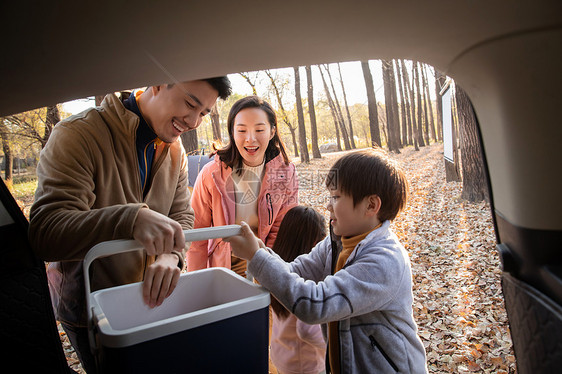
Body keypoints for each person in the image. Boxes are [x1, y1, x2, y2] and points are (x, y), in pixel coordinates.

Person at [28, 77, 232, 373]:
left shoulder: (176, 153)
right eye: (190, 104)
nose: (193, 121)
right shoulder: (79, 133)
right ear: (158, 82)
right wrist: (130, 219)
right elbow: (46, 231)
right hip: (92, 310)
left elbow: (182, 217)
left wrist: (171, 255)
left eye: (203, 113)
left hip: (149, 302)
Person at [225, 149, 428, 374]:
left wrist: (256, 256)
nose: (329, 206)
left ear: (371, 206)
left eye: (337, 197)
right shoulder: (336, 242)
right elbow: (295, 270)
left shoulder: (384, 262)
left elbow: (315, 304)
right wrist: (259, 250)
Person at [187, 95, 298, 277]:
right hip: (224, 266)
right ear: (232, 132)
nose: (250, 139)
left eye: (259, 130)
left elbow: (281, 230)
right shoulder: (211, 174)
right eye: (242, 130)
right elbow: (196, 236)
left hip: (264, 260)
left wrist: (267, 273)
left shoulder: (286, 173)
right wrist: (196, 282)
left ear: (271, 132)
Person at [269, 205, 327, 374]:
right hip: (307, 364)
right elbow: (308, 329)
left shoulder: (277, 269)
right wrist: (336, 343)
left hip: (281, 356)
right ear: (316, 243)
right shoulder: (309, 279)